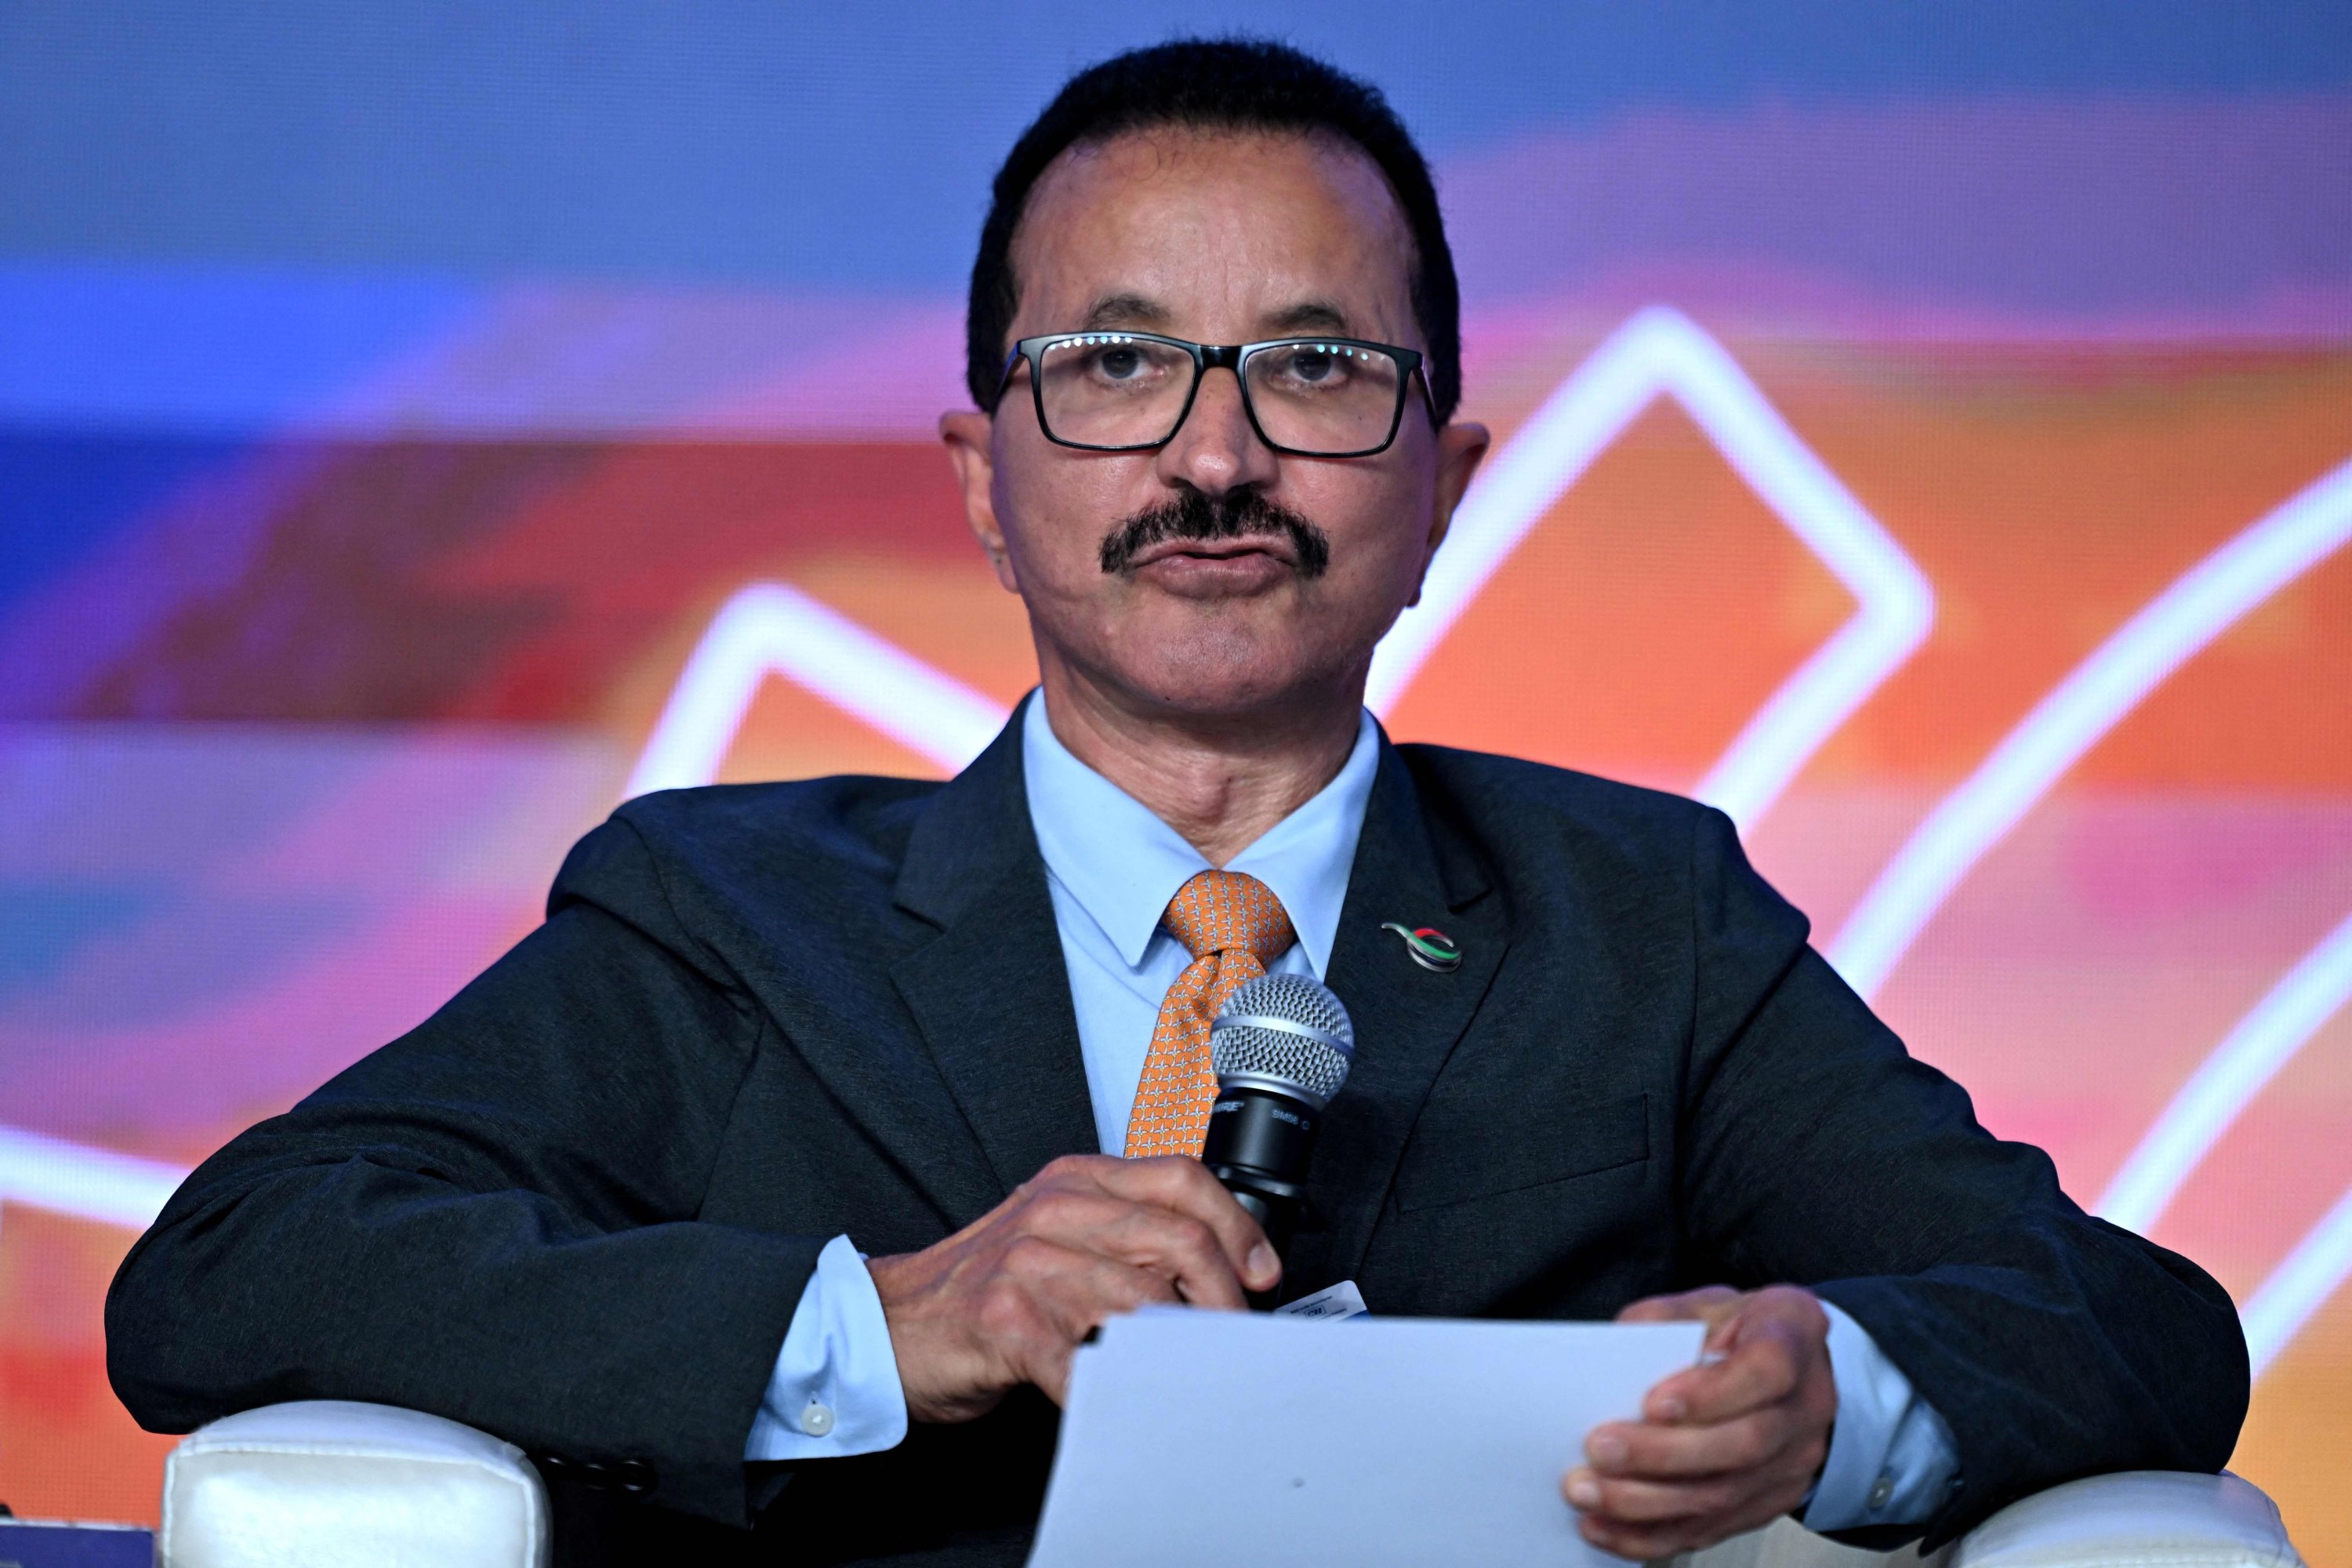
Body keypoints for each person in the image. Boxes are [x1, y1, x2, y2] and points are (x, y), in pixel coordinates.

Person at [107, 38, 2247, 1566]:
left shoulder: (1640, 918)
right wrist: (888, 1321)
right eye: (1115, 367)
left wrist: (1830, 1391)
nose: (1215, 458)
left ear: (1444, 489)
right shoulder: (730, 913)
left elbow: (2143, 1330)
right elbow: (228, 1273)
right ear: (985, 481)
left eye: (1317, 369)